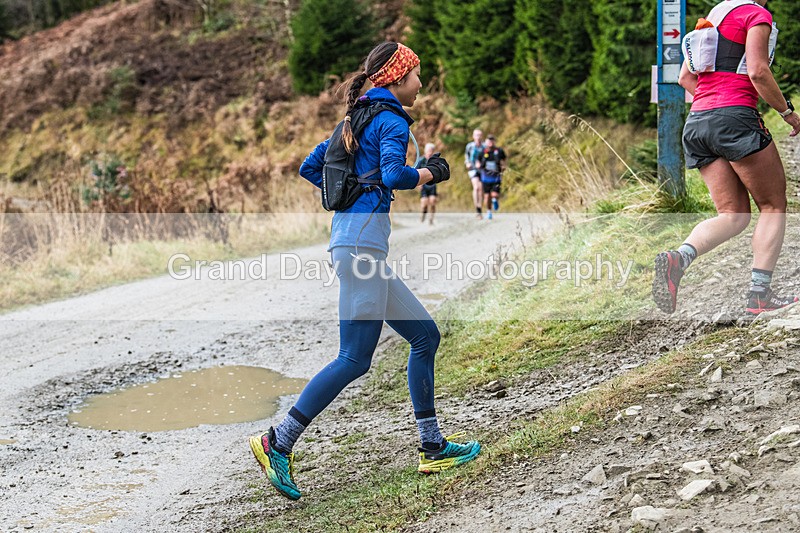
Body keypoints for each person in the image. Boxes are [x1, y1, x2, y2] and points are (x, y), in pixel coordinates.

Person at [248, 42, 481, 501]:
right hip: (360, 247)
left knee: (424, 336)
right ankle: (279, 440)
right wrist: (431, 172)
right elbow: (395, 173)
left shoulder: (352, 122)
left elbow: (310, 167)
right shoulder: (390, 120)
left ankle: (432, 445)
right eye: (416, 74)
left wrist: (350, 192)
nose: (420, 83)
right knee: (354, 358)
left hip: (356, 244)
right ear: (397, 78)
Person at [653, 0, 800, 316]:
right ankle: (759, 296)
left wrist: (714, 102)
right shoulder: (756, 14)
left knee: (733, 215)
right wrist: (787, 113)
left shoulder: (710, 19)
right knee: (773, 205)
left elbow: (685, 79)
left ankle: (679, 258)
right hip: (734, 117)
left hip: (697, 123)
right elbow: (759, 72)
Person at [477, 135, 506, 220]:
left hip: (496, 176)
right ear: (485, 142)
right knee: (487, 196)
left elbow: (504, 159)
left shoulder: (499, 151)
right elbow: (478, 161)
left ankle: (495, 200)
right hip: (485, 177)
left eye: (492, 140)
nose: (490, 142)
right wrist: (478, 165)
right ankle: (489, 211)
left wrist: (504, 166)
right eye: (488, 141)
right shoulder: (483, 152)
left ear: (494, 141)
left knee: (495, 194)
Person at [416, 142, 438, 224]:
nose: (430, 152)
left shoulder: (435, 161)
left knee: (433, 201)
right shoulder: (421, 160)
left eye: (431, 151)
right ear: (425, 151)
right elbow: (416, 172)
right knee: (424, 204)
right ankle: (423, 215)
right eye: (428, 151)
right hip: (423, 185)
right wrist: (418, 184)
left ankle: (431, 219)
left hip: (432, 185)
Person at [465, 129, 484, 218]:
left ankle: (480, 207)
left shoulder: (484, 146)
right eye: (476, 135)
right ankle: (477, 209)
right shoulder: (470, 146)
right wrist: (467, 163)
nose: (478, 137)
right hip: (473, 169)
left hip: (482, 170)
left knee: (481, 189)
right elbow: (467, 156)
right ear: (473, 136)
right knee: (476, 187)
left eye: (480, 135)